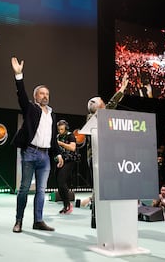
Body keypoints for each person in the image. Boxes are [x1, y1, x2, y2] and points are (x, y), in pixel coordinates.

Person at [10, 56, 63, 233]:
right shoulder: (31, 109)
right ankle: (19, 221)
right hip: (30, 153)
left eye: (47, 94)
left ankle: (38, 221)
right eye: (42, 93)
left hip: (45, 156)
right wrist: (19, 76)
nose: (45, 96)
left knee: (41, 190)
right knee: (24, 188)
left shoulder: (52, 114)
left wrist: (57, 153)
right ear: (36, 96)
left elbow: (52, 136)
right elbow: (21, 97)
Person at [85, 72, 129, 228]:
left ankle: (104, 217)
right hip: (96, 158)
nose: (105, 103)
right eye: (102, 102)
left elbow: (112, 104)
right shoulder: (91, 118)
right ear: (98, 107)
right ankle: (96, 219)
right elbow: (110, 106)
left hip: (106, 157)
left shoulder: (102, 114)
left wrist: (123, 88)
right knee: (98, 188)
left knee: (106, 187)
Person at [56, 119, 79, 214]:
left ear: (66, 129)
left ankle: (68, 205)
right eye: (59, 129)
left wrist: (61, 143)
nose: (60, 131)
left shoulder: (70, 135)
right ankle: (65, 205)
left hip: (69, 160)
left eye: (62, 129)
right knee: (58, 184)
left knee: (61, 182)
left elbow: (72, 148)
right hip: (60, 160)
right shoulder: (57, 136)